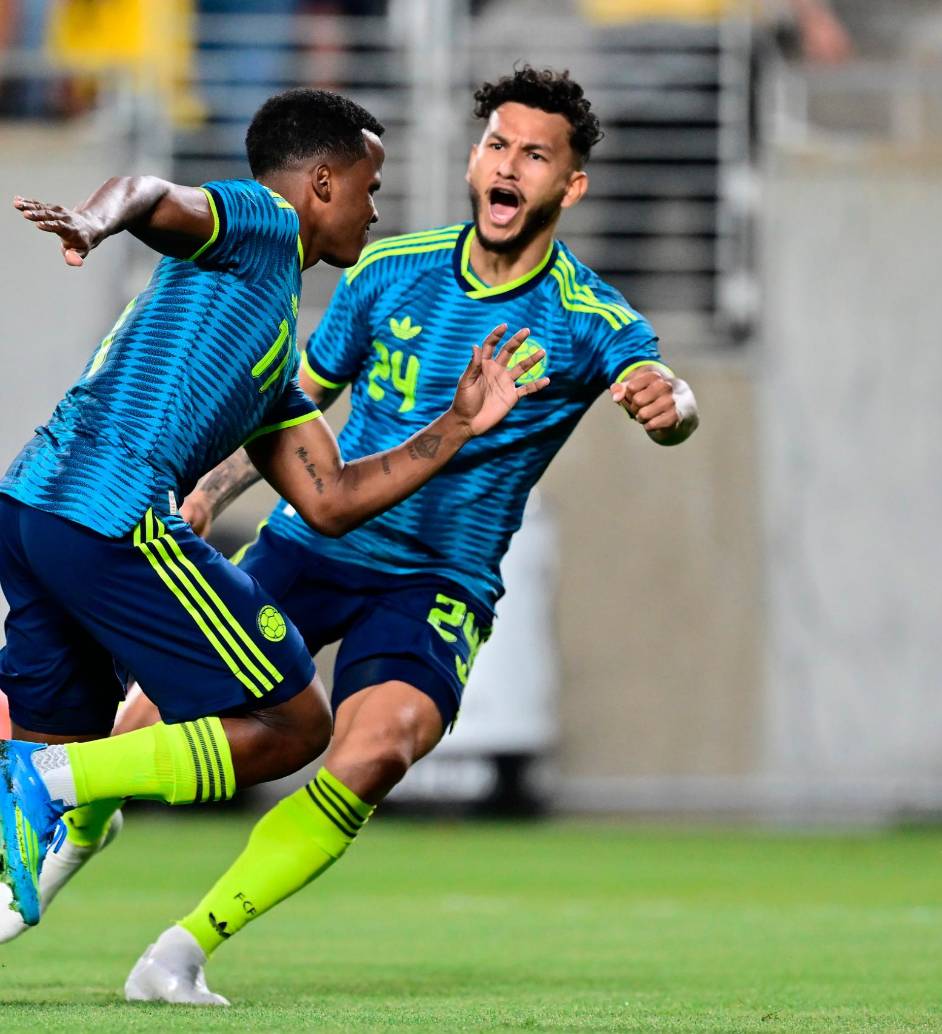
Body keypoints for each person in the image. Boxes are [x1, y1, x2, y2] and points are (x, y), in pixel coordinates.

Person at [11, 66, 699, 1004]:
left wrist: (671, 407)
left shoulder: (588, 318)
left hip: (436, 583)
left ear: (568, 186)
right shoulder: (382, 269)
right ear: (475, 157)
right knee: (147, 723)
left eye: (535, 156)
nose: (508, 167)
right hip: (306, 547)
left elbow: (663, 388)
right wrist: (209, 489)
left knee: (372, 752)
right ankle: (54, 832)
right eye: (498, 144)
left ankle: (179, 950)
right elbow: (294, 405)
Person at [0, 87, 546, 942]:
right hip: (109, 513)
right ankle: (48, 781)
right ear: (322, 183)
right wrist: (94, 219)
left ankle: (39, 781)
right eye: (371, 185)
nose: (377, 209)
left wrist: (458, 425)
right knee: (295, 723)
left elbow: (329, 500)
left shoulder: (266, 346)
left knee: (45, 753)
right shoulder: (261, 223)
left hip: (30, 505)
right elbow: (150, 193)